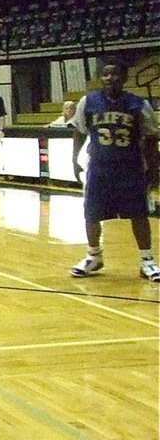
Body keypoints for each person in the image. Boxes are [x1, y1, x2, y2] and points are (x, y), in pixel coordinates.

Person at [69, 60, 160, 281]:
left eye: (115, 74)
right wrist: (74, 158)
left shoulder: (138, 104)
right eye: (106, 75)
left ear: (125, 77)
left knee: (139, 214)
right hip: (99, 168)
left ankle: (147, 260)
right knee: (91, 213)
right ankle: (93, 256)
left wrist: (155, 169)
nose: (110, 78)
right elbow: (80, 131)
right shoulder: (88, 102)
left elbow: (150, 138)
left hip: (131, 168)